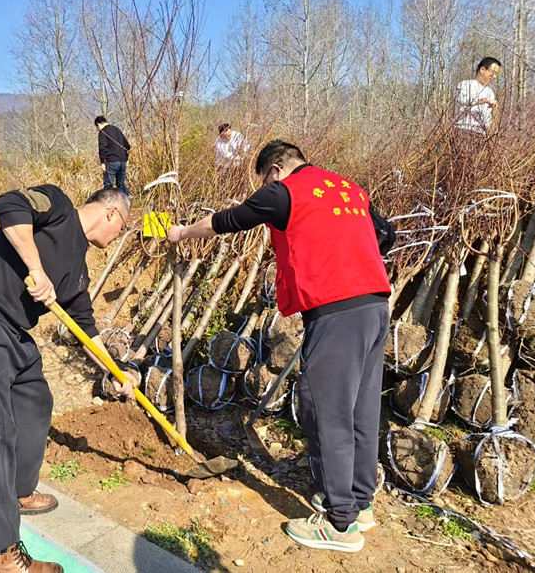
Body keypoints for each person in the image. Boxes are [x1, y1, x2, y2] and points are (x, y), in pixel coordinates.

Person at [168, 140, 391, 554]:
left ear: (274, 169)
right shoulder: (348, 188)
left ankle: (340, 525)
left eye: (264, 179)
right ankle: (359, 504)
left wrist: (183, 231)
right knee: (361, 408)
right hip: (375, 305)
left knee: (327, 410)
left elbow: (229, 220)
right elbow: (385, 234)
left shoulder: (285, 190)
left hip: (337, 311)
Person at [0, 186, 137, 572]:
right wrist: (36, 268)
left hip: (12, 332)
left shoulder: (78, 271)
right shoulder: (58, 207)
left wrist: (115, 371)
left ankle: (16, 490)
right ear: (112, 213)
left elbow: (87, 330)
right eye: (122, 228)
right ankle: (0, 555)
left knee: (35, 401)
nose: (115, 240)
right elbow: (9, 203)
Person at [454, 57, 501, 137]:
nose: (493, 76)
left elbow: (488, 119)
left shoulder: (490, 92)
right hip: (462, 130)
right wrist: (485, 101)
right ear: (482, 69)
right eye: (492, 72)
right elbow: (463, 100)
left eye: (496, 74)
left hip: (481, 134)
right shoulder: (465, 85)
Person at [95, 116, 131, 196]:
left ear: (98, 124)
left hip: (111, 161)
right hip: (122, 161)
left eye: (97, 127)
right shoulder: (117, 130)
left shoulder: (103, 132)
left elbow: (102, 148)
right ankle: (128, 196)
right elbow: (127, 146)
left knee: (108, 186)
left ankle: (109, 205)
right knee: (120, 184)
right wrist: (126, 158)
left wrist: (103, 162)